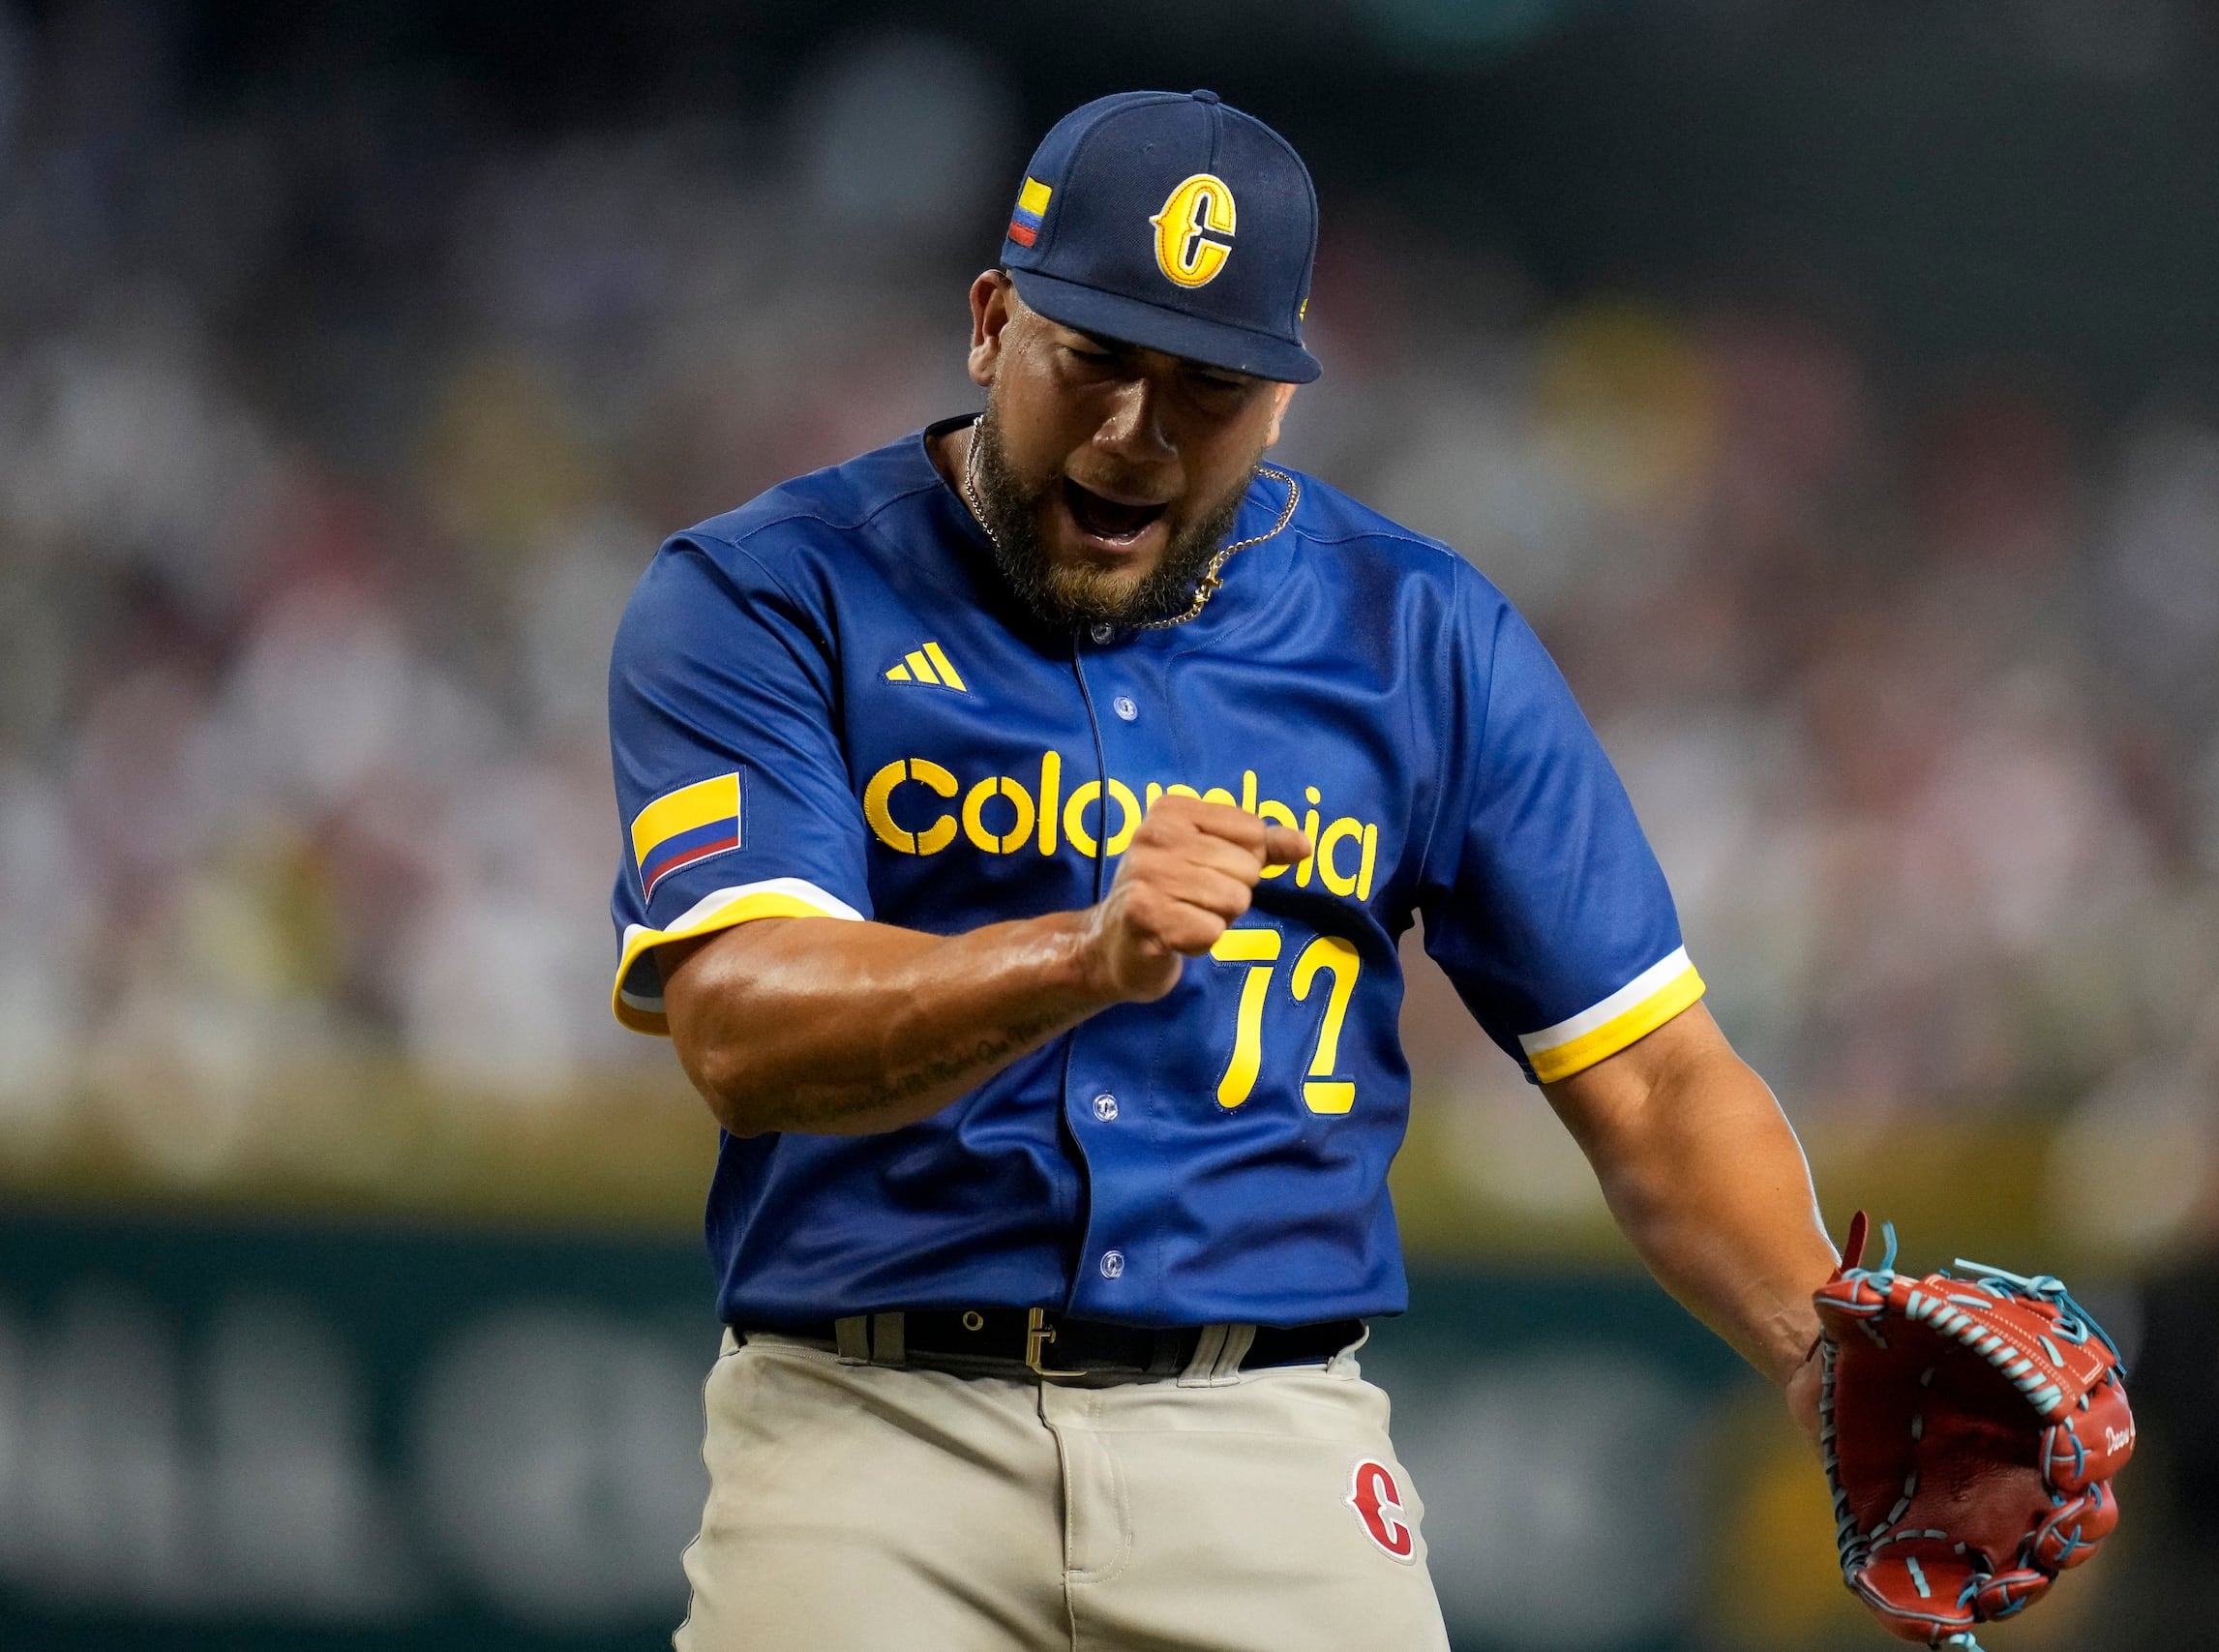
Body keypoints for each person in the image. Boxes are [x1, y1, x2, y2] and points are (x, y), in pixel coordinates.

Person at [606, 88, 1837, 1651]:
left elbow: (1654, 1075)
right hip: (870, 1435)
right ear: (992, 323)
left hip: (1269, 1437)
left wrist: (1820, 1346)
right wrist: (1081, 956)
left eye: (1208, 386)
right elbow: (737, 1026)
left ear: (1282, 401)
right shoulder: (771, 591)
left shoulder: (1419, 633)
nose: (1137, 433)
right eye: (1097, 359)